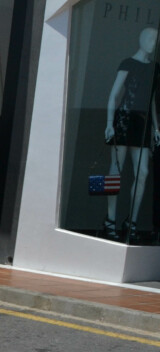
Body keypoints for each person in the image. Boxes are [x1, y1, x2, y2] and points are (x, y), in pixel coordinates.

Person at [105, 26, 159, 243]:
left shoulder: (155, 68)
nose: (153, 43)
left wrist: (156, 126)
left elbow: (151, 100)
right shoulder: (127, 63)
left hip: (143, 124)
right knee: (115, 170)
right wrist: (109, 123)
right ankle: (110, 220)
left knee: (143, 172)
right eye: (150, 38)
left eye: (156, 40)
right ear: (141, 39)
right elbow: (114, 94)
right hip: (124, 121)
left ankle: (132, 221)